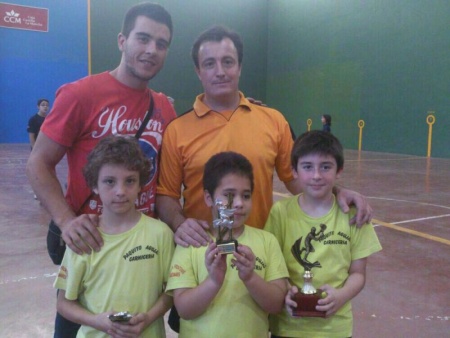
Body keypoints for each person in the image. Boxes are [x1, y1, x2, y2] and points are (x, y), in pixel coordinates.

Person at [26, 3, 176, 337]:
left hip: (139, 249)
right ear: (122, 40)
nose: (151, 50)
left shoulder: (165, 108)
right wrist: (66, 222)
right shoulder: (80, 94)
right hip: (88, 243)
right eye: (143, 38)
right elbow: (38, 163)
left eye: (161, 44)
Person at [156, 25, 372, 249]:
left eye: (228, 62)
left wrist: (338, 191)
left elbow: (296, 180)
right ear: (198, 71)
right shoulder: (177, 130)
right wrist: (179, 223)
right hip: (201, 253)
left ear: (239, 67)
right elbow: (166, 195)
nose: (219, 71)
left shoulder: (274, 120)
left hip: (261, 254)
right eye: (209, 64)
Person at [264, 130, 382, 338]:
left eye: (325, 167)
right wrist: (286, 292)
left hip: (335, 329)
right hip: (288, 326)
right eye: (307, 167)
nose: (316, 175)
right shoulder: (280, 213)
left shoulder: (354, 215)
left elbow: (358, 274)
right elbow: (273, 268)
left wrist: (341, 296)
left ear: (339, 171)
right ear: (294, 171)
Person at [54, 135, 174, 338]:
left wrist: (149, 317)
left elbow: (171, 292)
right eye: (109, 181)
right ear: (94, 185)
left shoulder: (160, 234)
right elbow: (64, 303)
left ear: (140, 184)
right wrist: (96, 321)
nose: (120, 191)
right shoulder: (84, 237)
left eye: (130, 181)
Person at [166, 151, 289, 337]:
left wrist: (250, 278)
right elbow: (184, 310)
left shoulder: (267, 241)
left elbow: (277, 304)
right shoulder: (192, 242)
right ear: (208, 198)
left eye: (246, 196)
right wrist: (214, 281)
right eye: (229, 195)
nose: (238, 203)